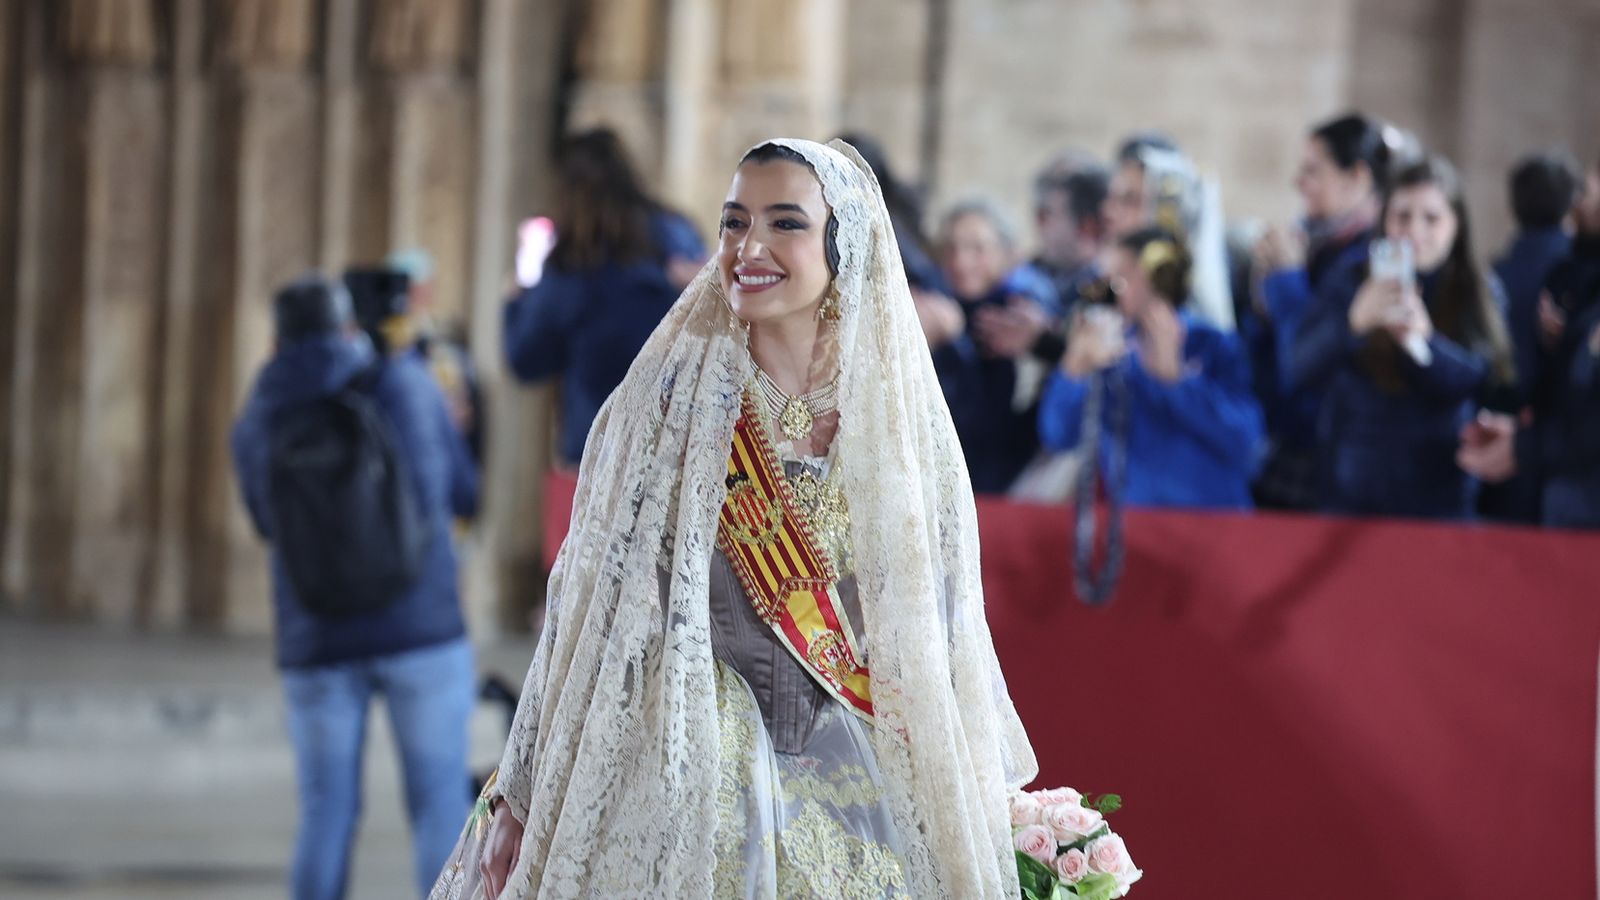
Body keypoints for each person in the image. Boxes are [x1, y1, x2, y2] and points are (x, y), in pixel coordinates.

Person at [432, 139, 1036, 899]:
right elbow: (586, 616)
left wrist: (981, 798)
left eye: (785, 223)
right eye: (733, 222)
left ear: (842, 246)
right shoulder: (662, 413)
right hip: (693, 782)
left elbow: (941, 630)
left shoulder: (900, 429)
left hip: (866, 795)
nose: (749, 247)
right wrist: (524, 790)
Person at [231, 275, 481, 900]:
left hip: (316, 633)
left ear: (275, 342)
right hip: (421, 628)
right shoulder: (407, 384)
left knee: (326, 811)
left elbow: (267, 522)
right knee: (438, 807)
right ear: (349, 330)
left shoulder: (261, 413)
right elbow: (460, 493)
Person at [1288, 156, 1515, 520]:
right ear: (1383, 221)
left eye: (1431, 218)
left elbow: (1484, 382)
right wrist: (1351, 324)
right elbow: (1299, 368)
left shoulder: (1479, 289)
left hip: (1441, 495)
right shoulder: (1349, 278)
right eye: (1402, 216)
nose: (1414, 231)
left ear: (1456, 225)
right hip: (1352, 492)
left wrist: (1424, 342)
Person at [502, 127, 707, 468]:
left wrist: (516, 299)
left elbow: (525, 358)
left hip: (595, 455)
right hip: (677, 448)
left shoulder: (573, 265)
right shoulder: (676, 234)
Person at [1037, 227, 1263, 509]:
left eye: (1123, 275)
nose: (1109, 288)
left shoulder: (1212, 342)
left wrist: (1177, 382)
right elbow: (1058, 435)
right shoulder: (1109, 351)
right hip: (1138, 530)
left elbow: (1248, 444)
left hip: (1216, 528)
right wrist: (1074, 368)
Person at [1246, 113, 1393, 510]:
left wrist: (1287, 280)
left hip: (1329, 474)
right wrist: (1261, 307)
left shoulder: (1370, 263)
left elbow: (1302, 362)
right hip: (1286, 453)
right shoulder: (1318, 249)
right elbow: (1265, 372)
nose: (1299, 183)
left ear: (1356, 178)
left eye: (1313, 171)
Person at [928, 198, 1060, 493]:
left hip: (1010, 487)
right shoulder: (935, 310)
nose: (961, 261)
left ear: (1007, 254)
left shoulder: (1023, 315)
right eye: (951, 248)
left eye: (977, 249)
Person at [1103, 133, 1235, 331]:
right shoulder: (1098, 287)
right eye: (1113, 198)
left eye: (1131, 200)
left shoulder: (1203, 330)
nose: (1110, 212)